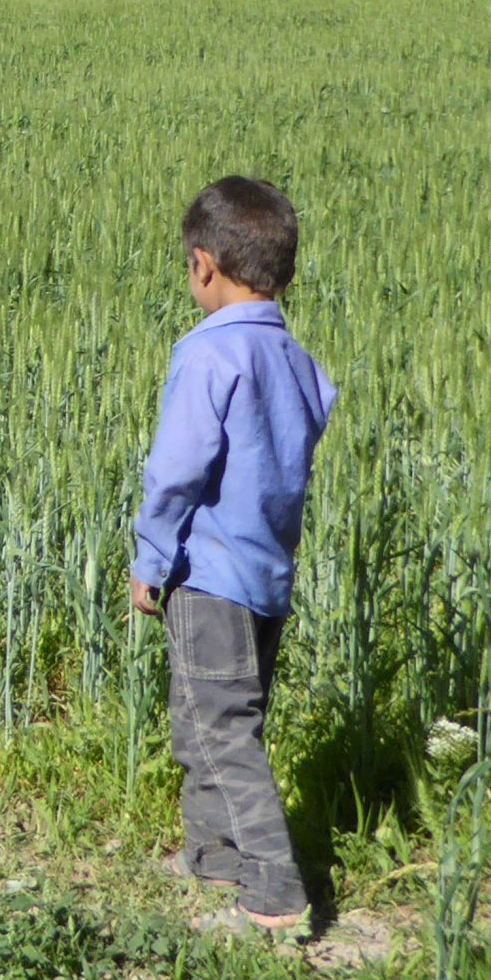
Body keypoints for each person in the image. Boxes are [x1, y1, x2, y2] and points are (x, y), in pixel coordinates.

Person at [128, 176, 338, 939]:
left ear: (203, 265)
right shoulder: (296, 357)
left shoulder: (209, 353)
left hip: (208, 574)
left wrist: (151, 557)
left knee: (220, 730)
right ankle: (214, 855)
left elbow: (178, 467)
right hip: (266, 575)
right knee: (205, 717)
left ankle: (276, 892)